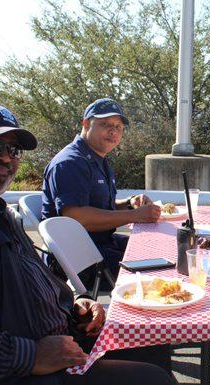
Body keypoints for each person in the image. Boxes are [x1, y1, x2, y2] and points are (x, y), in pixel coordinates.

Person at [0, 105, 175, 385]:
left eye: (14, 150)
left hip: (58, 337)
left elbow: (34, 272)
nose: (5, 157)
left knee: (150, 339)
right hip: (8, 374)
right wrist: (28, 356)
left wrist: (76, 303)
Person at [42, 98, 161, 286]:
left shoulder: (98, 159)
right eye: (105, 124)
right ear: (86, 124)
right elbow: (78, 217)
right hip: (83, 261)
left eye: (118, 126)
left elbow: (100, 206)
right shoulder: (70, 163)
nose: (113, 131)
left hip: (102, 245)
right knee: (161, 269)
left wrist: (129, 203)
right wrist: (135, 215)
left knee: (159, 250)